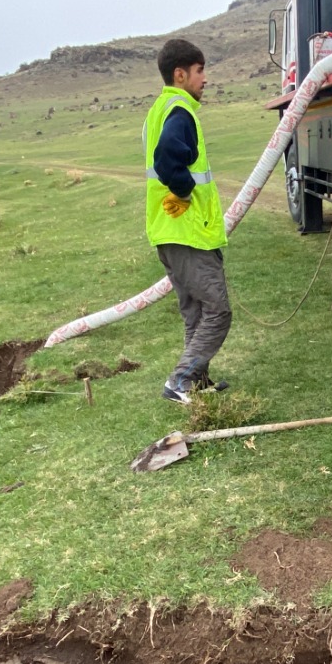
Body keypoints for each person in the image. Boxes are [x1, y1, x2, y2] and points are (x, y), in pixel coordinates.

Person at [145, 38, 231, 404]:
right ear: (180, 74)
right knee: (218, 311)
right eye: (199, 71)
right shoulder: (179, 110)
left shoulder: (161, 108)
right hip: (188, 233)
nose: (205, 79)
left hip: (169, 232)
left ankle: (196, 382)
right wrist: (181, 192)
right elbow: (167, 161)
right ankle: (179, 381)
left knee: (195, 311)